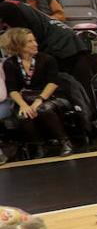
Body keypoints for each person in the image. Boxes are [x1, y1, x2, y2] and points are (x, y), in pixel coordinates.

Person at [1, 26, 74, 157]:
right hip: (26, 97)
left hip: (51, 95)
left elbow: (53, 83)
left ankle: (64, 141)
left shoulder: (47, 59)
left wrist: (37, 101)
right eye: (30, 41)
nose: (35, 44)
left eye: (34, 40)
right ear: (18, 45)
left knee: (43, 109)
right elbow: (12, 89)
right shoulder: (10, 63)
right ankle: (39, 144)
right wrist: (23, 105)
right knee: (23, 114)